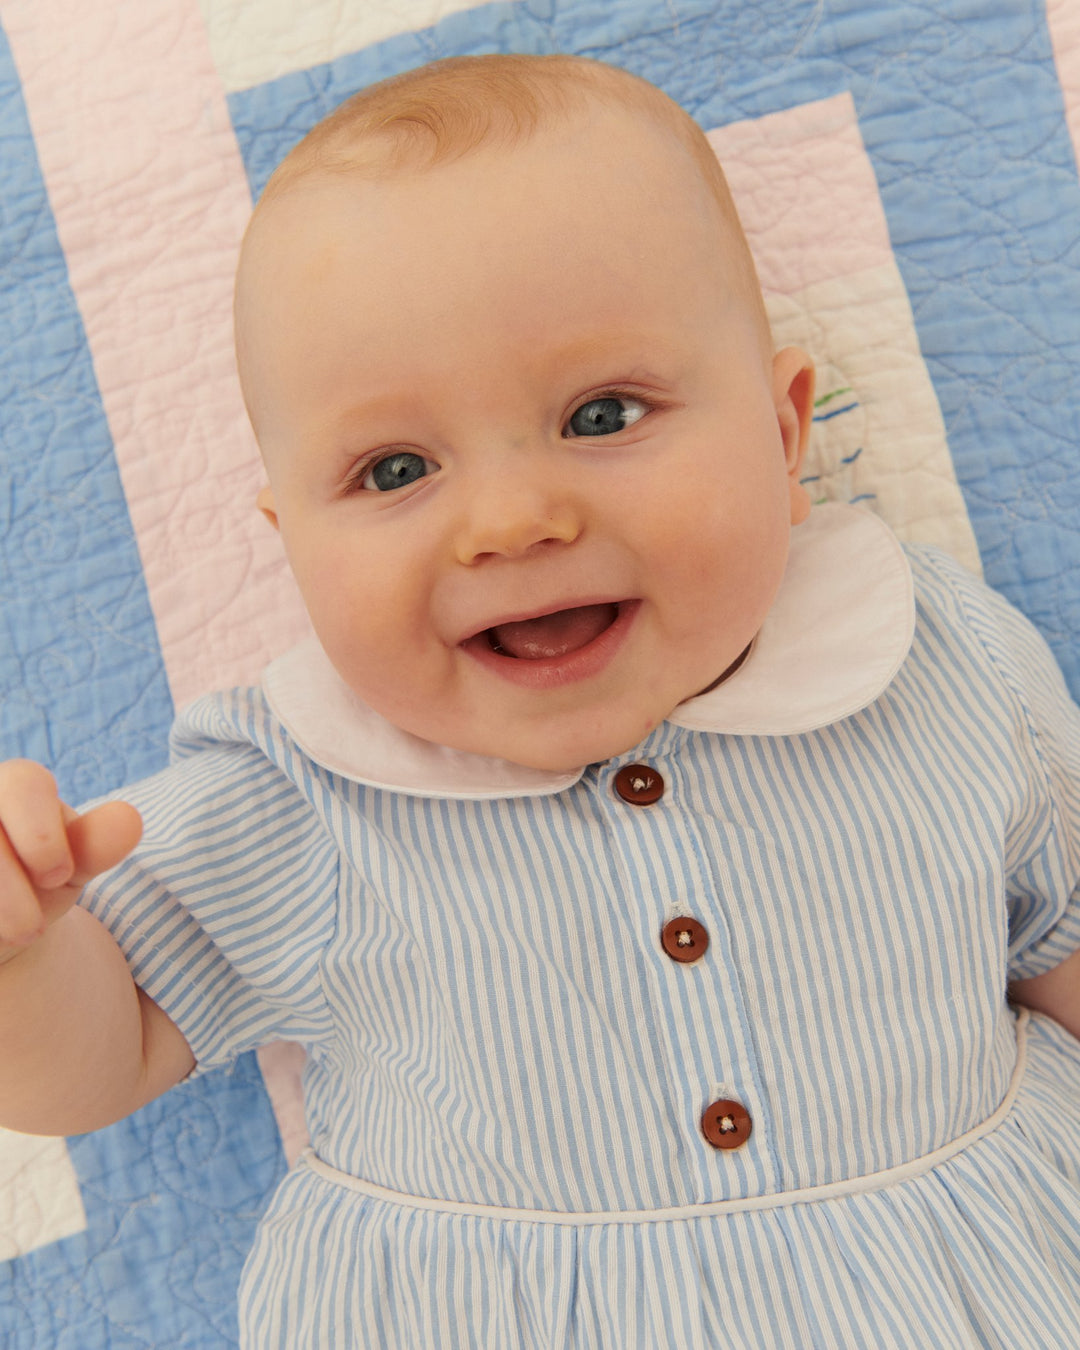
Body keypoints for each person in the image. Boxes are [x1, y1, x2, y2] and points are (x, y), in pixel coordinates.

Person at [2, 51, 1080, 1348]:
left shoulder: (928, 659)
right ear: (289, 539)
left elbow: (1057, 937)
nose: (514, 520)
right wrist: (23, 954)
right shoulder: (300, 790)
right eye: (396, 468)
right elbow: (101, 1052)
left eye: (602, 411)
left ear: (784, 434)